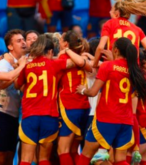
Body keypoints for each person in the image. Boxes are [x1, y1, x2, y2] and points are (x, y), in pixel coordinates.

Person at [76, 37, 146, 165]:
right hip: (126, 121)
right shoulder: (134, 71)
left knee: (86, 155)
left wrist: (83, 90)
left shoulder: (107, 66)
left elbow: (93, 92)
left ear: (115, 50)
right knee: (120, 160)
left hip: (107, 119)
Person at [14, 34, 85, 165]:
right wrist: (66, 51)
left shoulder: (27, 66)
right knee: (44, 158)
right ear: (51, 51)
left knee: (26, 159)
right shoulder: (55, 64)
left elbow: (17, 85)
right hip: (50, 115)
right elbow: (79, 62)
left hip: (30, 115)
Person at [0, 29, 27, 165]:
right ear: (10, 46)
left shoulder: (19, 62)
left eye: (23, 40)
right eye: (18, 41)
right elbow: (1, 83)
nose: (23, 42)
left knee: (9, 159)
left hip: (13, 116)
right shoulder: (4, 63)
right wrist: (20, 68)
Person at [57, 30, 92, 165]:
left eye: (60, 40)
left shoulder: (63, 58)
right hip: (83, 106)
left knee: (63, 150)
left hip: (69, 105)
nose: (58, 43)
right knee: (73, 150)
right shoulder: (82, 57)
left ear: (65, 43)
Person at [93, 0, 146, 69]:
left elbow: (100, 47)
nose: (109, 12)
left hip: (113, 67)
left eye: (111, 9)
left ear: (117, 12)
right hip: (131, 71)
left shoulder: (109, 23)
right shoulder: (137, 29)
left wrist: (94, 65)